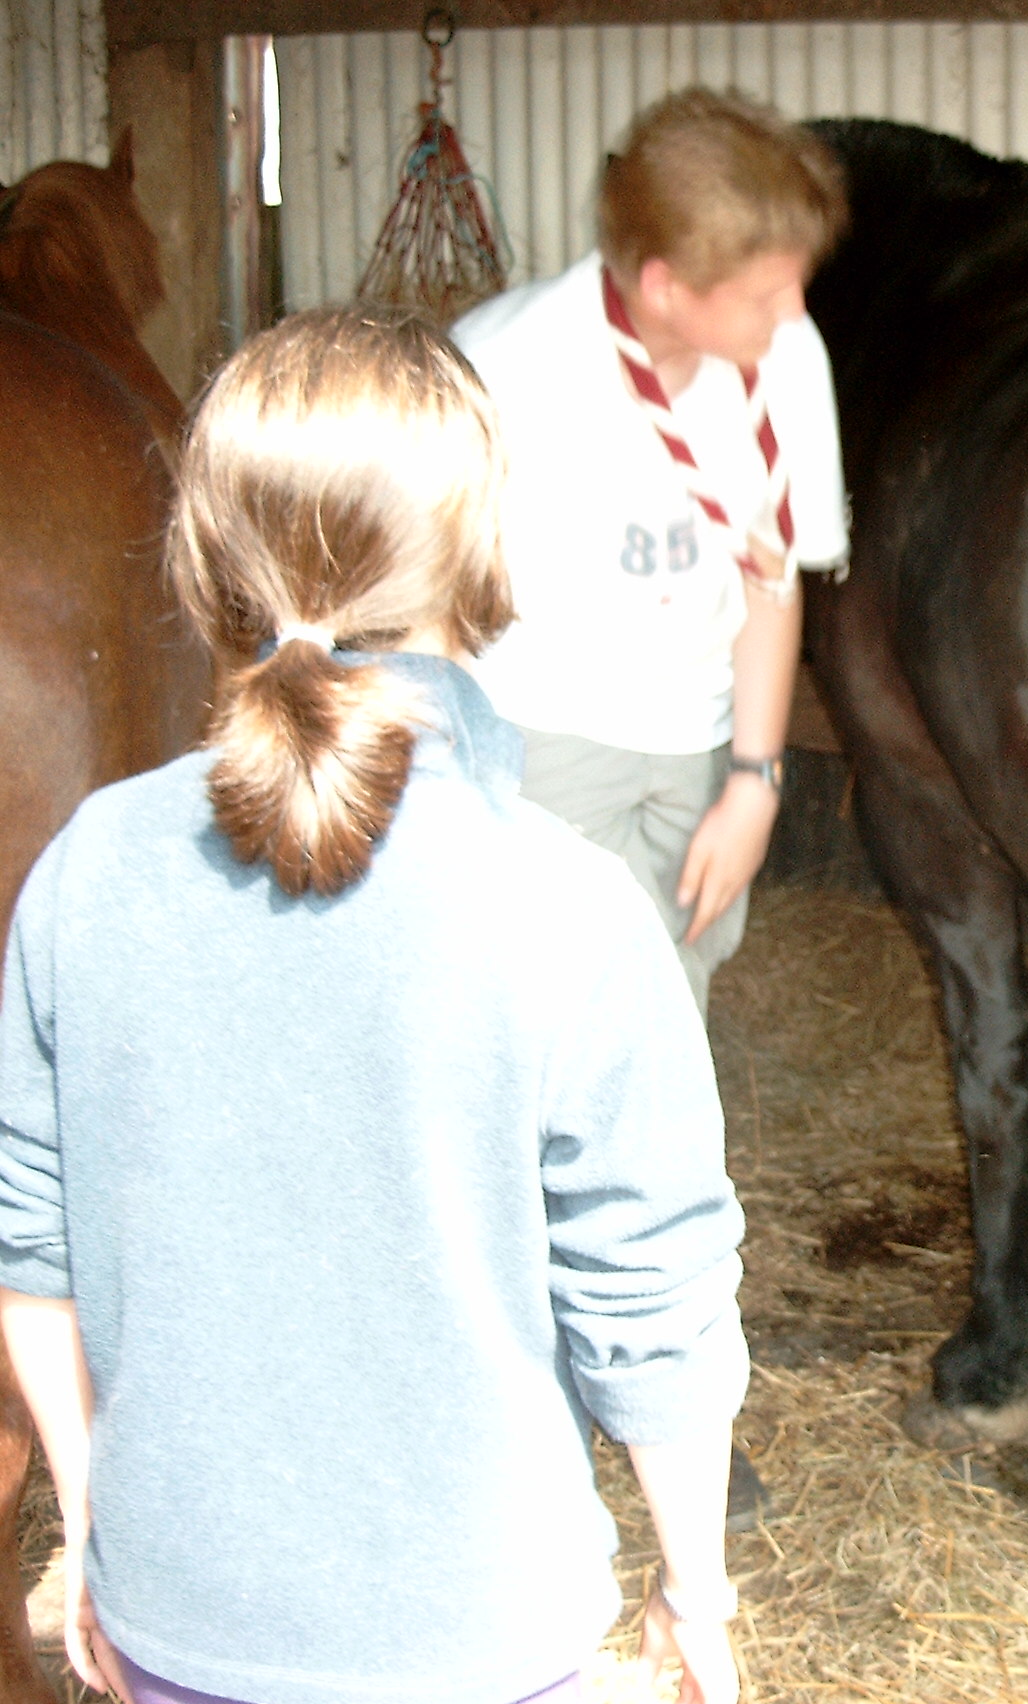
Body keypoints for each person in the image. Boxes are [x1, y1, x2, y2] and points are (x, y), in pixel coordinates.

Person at [0, 309, 749, 1704]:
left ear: (205, 563)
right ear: (478, 560)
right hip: (490, 1639)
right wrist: (695, 1592)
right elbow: (654, 1299)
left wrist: (99, 1529)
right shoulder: (575, 908)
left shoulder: (87, 871)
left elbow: (29, 1241)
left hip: (177, 1625)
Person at [451, 88, 851, 1019]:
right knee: (570, 1013)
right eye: (765, 293)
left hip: (699, 738)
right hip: (542, 735)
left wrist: (755, 781)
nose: (796, 310)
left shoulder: (787, 356)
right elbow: (430, 606)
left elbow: (770, 580)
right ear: (667, 288)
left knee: (675, 999)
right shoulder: (504, 369)